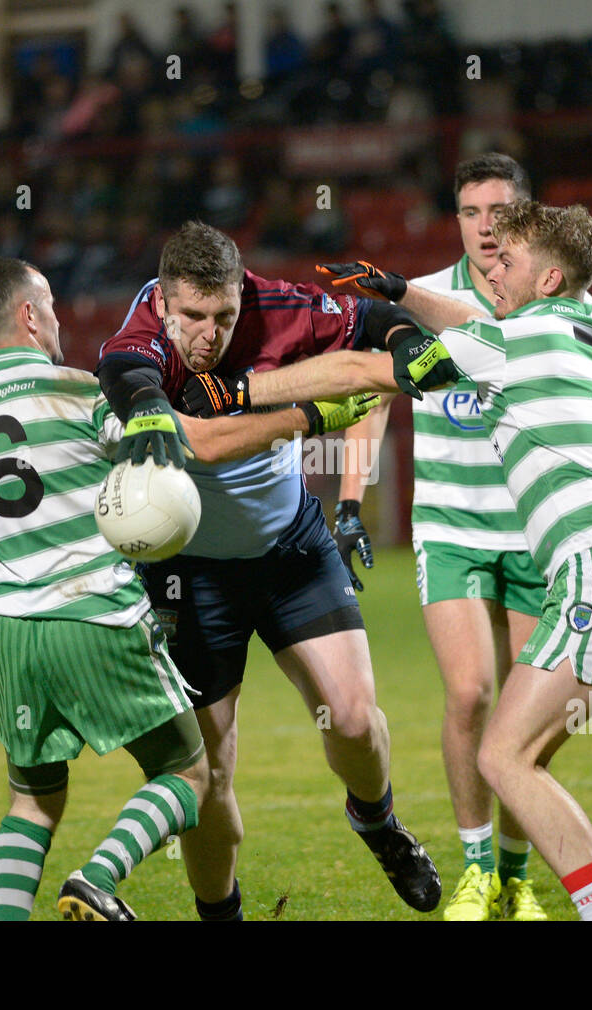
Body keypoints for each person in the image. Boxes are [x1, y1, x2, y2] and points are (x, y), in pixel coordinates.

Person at [319, 203, 592, 921]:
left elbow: (381, 368)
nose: (491, 267)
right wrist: (400, 290)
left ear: (549, 274)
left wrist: (294, 353)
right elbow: (468, 323)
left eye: (508, 261)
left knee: (503, 756)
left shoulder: (509, 340)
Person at [0, 256, 376, 921]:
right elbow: (194, 441)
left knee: (32, 801)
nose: (60, 317)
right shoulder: (78, 392)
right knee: (189, 774)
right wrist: (307, 419)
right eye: (53, 303)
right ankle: (98, 877)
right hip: (93, 612)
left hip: (5, 627)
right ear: (29, 315)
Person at [319, 154, 592, 922]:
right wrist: (351, 500)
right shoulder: (431, 293)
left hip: (539, 534)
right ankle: (473, 871)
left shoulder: (547, 300)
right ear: (456, 219)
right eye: (470, 213)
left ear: (525, 218)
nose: (485, 227)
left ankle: (513, 874)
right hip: (453, 525)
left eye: (499, 212)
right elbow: (375, 391)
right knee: (469, 695)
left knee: (524, 727)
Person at [95, 221, 451, 921]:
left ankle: (377, 823)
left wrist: (407, 340)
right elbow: (127, 372)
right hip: (189, 577)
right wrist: (148, 410)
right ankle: (220, 915)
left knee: (353, 720)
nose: (210, 334)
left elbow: (373, 317)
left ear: (242, 294)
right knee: (208, 773)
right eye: (193, 316)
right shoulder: (142, 331)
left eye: (224, 315)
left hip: (290, 548)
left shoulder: (277, 305)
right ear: (165, 303)